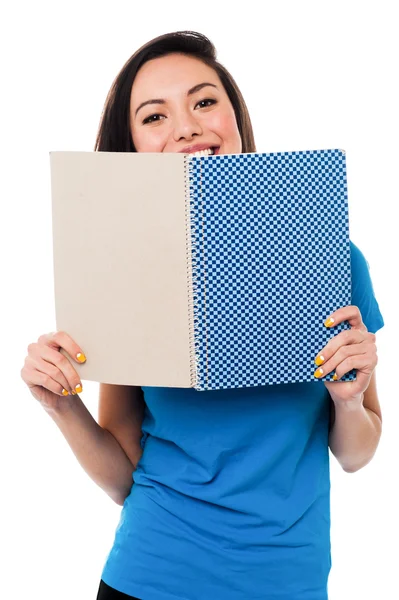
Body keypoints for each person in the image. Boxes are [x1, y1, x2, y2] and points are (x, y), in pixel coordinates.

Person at [21, 31, 384, 600]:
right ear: (132, 145)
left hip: (288, 582)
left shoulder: (328, 252)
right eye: (154, 116)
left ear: (235, 118)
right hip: (149, 576)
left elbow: (358, 453)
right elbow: (123, 480)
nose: (187, 127)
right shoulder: (125, 271)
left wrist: (347, 398)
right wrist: (62, 407)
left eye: (204, 102)